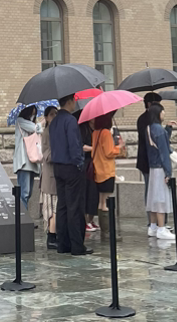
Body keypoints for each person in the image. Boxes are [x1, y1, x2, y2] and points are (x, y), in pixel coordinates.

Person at [49, 95, 91, 256]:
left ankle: (63, 244)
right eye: (74, 100)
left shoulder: (54, 121)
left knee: (62, 205)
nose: (75, 103)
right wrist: (79, 163)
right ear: (69, 101)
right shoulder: (70, 120)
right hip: (71, 167)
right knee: (75, 206)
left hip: (57, 166)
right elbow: (74, 145)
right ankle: (77, 245)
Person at [145, 103, 174, 240]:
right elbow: (164, 152)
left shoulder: (149, 128)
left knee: (153, 198)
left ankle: (153, 226)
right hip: (160, 168)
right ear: (158, 113)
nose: (164, 113)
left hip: (152, 167)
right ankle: (161, 228)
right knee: (161, 199)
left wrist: (167, 129)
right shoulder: (159, 130)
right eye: (163, 111)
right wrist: (168, 172)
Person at [90, 112, 124, 225]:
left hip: (98, 170)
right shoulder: (106, 133)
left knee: (101, 201)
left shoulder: (95, 133)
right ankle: (106, 229)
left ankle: (103, 227)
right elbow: (109, 152)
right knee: (105, 202)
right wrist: (119, 147)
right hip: (107, 171)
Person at [13, 105, 41, 212]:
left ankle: (24, 216)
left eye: (34, 114)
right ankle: (22, 218)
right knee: (24, 193)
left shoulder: (31, 123)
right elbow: (36, 128)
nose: (33, 116)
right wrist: (40, 123)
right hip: (24, 163)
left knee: (28, 193)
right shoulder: (20, 121)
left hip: (32, 161)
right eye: (32, 114)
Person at [135, 92, 162, 204]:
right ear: (149, 104)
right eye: (157, 104)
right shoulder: (144, 119)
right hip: (146, 159)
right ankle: (150, 211)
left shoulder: (153, 119)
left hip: (153, 159)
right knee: (150, 187)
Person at [40, 105, 58, 249]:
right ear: (46, 117)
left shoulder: (55, 131)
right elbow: (47, 155)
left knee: (56, 208)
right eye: (51, 114)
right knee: (52, 209)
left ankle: (54, 235)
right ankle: (51, 237)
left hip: (56, 176)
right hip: (50, 177)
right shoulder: (47, 133)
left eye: (56, 114)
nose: (54, 116)